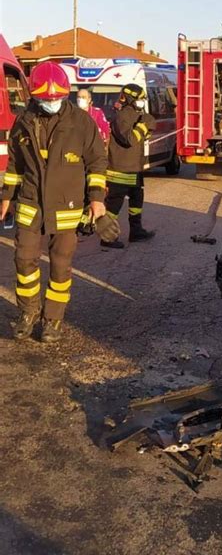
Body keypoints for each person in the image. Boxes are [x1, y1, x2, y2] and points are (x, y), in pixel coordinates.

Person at [0, 61, 107, 344]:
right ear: (34, 96)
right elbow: (14, 165)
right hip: (30, 202)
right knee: (23, 260)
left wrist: (96, 200)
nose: (52, 103)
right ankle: (28, 312)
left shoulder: (82, 124)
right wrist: (6, 197)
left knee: (60, 265)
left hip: (66, 205)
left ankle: (53, 320)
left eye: (57, 98)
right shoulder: (23, 121)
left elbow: (97, 162)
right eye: (46, 100)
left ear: (66, 94)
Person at [102, 82, 155, 248]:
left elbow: (140, 138)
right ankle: (107, 238)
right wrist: (143, 125)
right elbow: (130, 139)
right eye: (140, 99)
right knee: (114, 205)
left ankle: (136, 232)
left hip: (134, 169)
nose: (142, 102)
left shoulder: (136, 114)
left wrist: (147, 128)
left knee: (137, 202)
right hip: (120, 171)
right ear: (132, 99)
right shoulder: (121, 116)